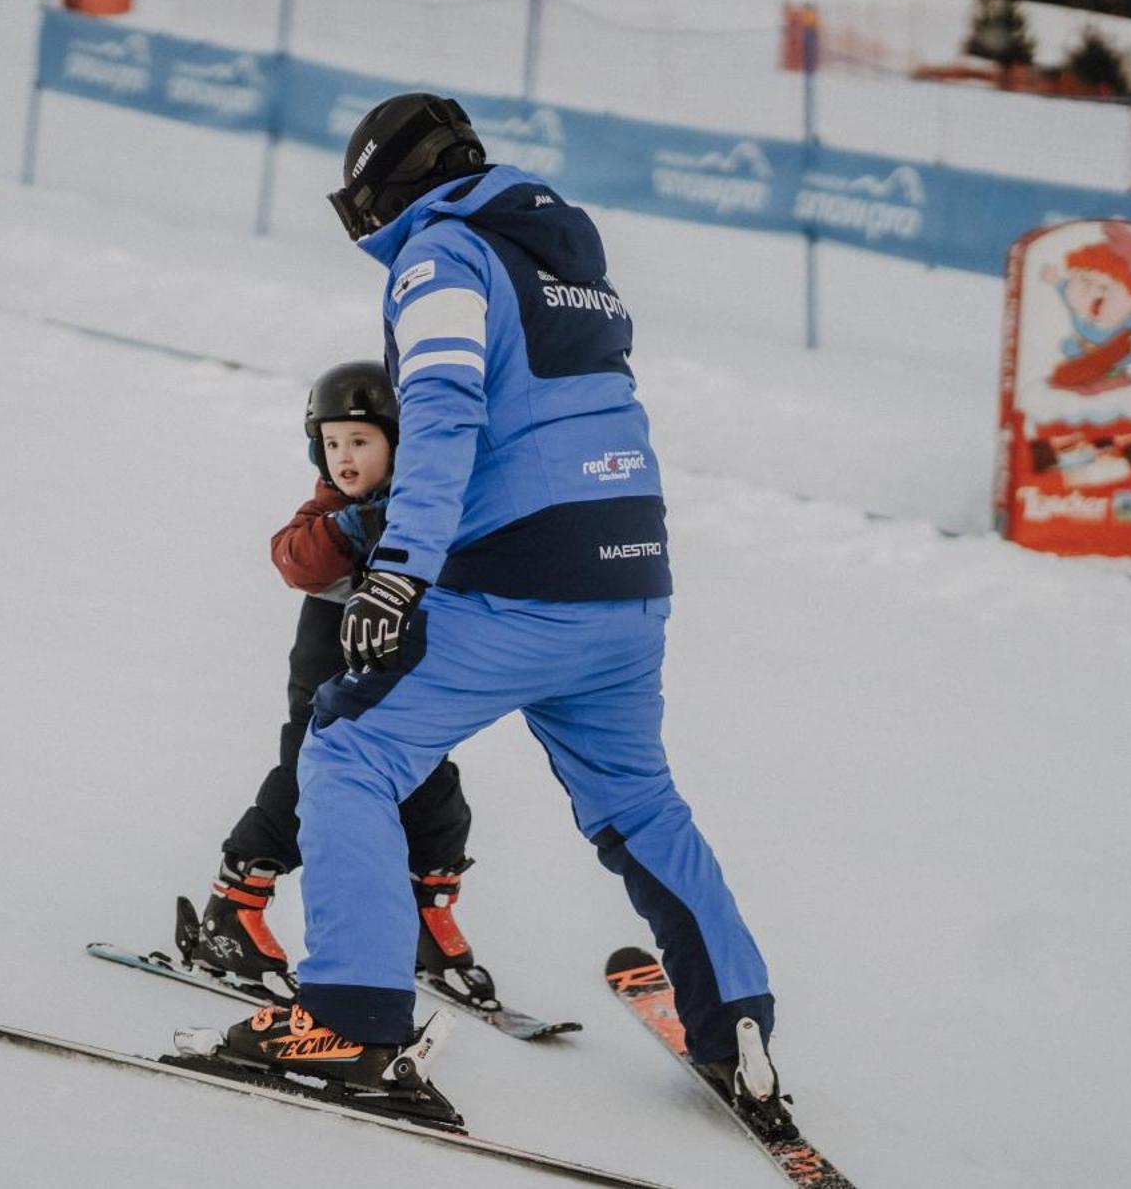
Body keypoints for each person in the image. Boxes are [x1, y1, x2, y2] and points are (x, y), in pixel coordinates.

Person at [206, 93, 794, 1139]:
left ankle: (347, 1019)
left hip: (519, 580)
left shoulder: (439, 255)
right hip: (628, 582)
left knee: (344, 746)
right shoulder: (561, 256)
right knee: (639, 804)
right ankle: (732, 1018)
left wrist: (397, 568)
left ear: (387, 186)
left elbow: (440, 408)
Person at [178, 361, 490, 1007]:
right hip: (328, 694)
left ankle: (424, 915)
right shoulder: (333, 509)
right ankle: (233, 911)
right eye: (332, 442)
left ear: (401, 443)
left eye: (361, 441)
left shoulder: (432, 510)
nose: (344, 457)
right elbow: (294, 557)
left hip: (406, 694)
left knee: (437, 798)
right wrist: (352, 527)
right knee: (300, 791)